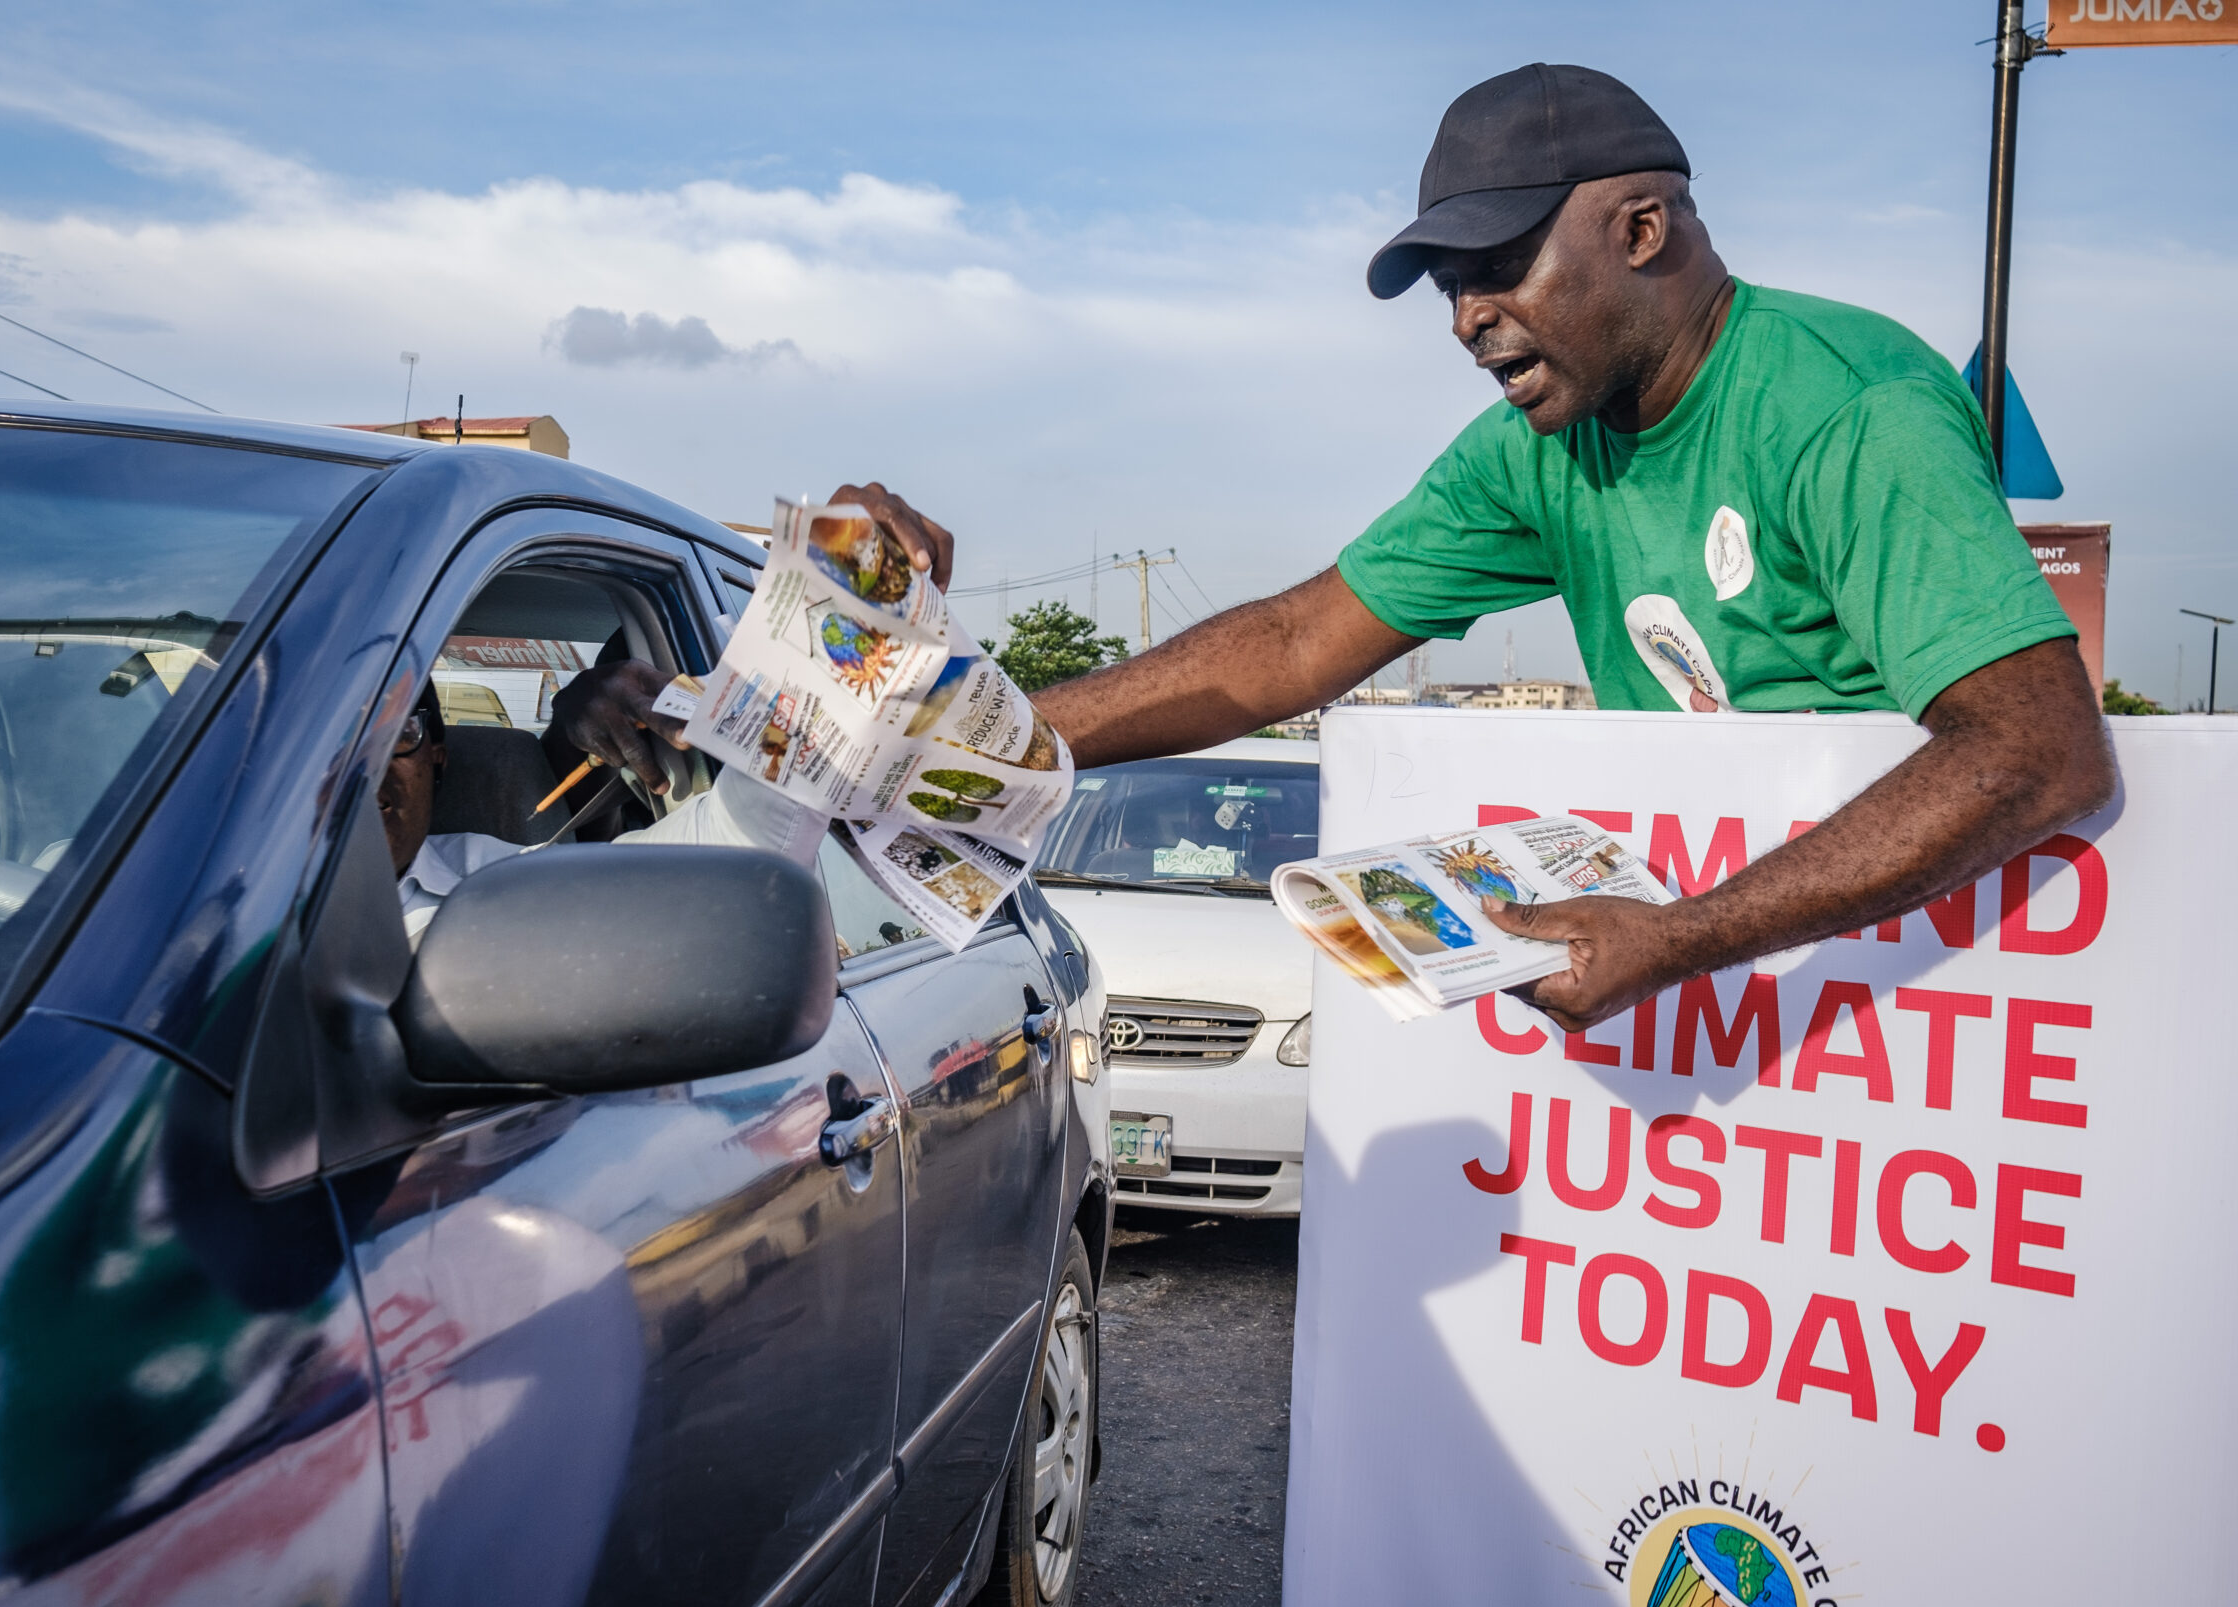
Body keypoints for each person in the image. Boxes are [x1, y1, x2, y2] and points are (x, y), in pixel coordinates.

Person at [823, 64, 2119, 1032]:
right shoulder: (1536, 446)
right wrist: (973, 736)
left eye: (1497, 264)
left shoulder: (1848, 404)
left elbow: (2038, 745)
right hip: (1717, 1001)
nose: (1468, 319)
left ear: (1644, 228)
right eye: (1450, 286)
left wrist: (1685, 934)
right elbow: (1289, 643)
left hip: (1932, 1005)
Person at [380, 679, 823, 943]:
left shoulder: (497, 886)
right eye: (327, 738)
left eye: (396, 732)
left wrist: (824, 695)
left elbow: (735, 853)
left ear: (437, 755)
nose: (360, 767)